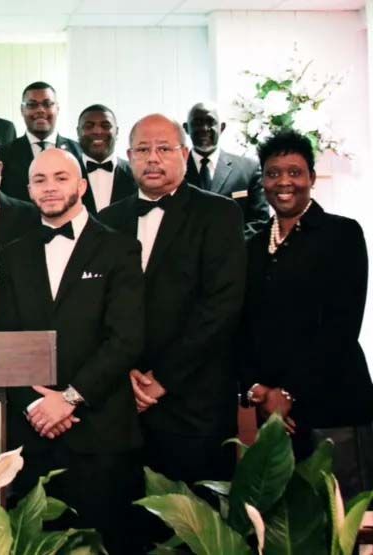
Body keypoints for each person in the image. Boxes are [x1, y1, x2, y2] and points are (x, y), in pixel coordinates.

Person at [0, 148, 145, 555]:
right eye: (40, 180)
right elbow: (5, 341)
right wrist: (33, 405)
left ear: (80, 185)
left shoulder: (120, 249)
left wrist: (69, 399)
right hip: (33, 436)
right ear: (28, 190)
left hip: (100, 434)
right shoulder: (12, 254)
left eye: (60, 178)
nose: (50, 187)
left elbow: (126, 339)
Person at [98, 114, 245, 488]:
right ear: (129, 156)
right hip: (121, 403)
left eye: (164, 148)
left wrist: (163, 378)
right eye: (142, 150)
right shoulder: (108, 220)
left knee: (195, 517)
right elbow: (97, 308)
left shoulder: (219, 213)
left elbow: (221, 307)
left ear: (184, 153)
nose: (152, 158)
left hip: (194, 405)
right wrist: (122, 374)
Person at [238, 129, 373, 499]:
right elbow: (241, 326)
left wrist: (288, 393)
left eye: (295, 172)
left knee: (342, 518)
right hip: (273, 416)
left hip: (334, 406)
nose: (284, 182)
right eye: (273, 173)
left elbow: (341, 326)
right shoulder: (252, 246)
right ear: (262, 181)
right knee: (283, 521)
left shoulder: (341, 234)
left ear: (312, 177)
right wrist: (258, 390)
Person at [184, 101, 269, 237]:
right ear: (186, 128)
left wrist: (229, 246)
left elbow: (259, 222)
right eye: (197, 122)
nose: (204, 128)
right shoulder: (174, 172)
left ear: (222, 127)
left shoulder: (249, 170)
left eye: (210, 122)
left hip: (238, 249)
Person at [0, 81, 86, 203]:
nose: (40, 110)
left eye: (47, 104)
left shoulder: (79, 152)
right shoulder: (3, 154)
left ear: (57, 109)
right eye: (32, 105)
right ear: (22, 110)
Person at [76, 104, 136, 213]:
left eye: (106, 126)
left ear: (117, 131)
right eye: (89, 126)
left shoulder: (136, 173)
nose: (98, 131)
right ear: (78, 132)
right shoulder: (66, 175)